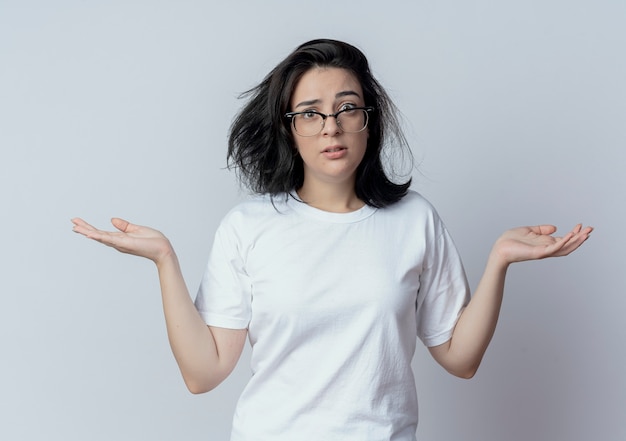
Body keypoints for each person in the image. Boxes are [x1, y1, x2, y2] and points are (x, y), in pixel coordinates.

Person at [71, 39, 592, 440]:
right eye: (311, 113)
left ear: (370, 120)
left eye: (347, 108)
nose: (331, 127)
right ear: (289, 128)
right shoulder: (249, 227)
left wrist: (500, 260)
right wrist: (164, 260)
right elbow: (203, 373)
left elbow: (461, 359)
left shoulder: (414, 221)